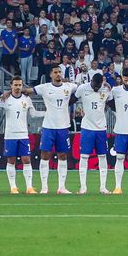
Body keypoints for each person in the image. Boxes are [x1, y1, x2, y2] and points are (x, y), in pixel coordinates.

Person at [34, 67, 76, 195]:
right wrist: (10, 92)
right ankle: (44, 187)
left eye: (59, 72)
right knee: (45, 155)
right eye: (56, 72)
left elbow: (85, 88)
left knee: (63, 156)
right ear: (51, 74)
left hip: (63, 127)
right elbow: (27, 91)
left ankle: (61, 187)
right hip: (48, 127)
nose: (58, 74)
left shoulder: (70, 86)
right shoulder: (44, 87)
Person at [0, 78, 37, 194]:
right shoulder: (6, 99)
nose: (18, 87)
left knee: (26, 159)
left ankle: (29, 187)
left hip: (23, 134)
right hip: (10, 135)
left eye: (20, 85)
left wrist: (49, 112)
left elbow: (33, 114)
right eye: (15, 85)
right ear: (11, 86)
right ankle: (13, 187)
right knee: (11, 160)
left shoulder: (27, 99)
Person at [75, 72, 113, 194]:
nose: (97, 87)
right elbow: (72, 99)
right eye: (95, 85)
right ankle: (83, 187)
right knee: (84, 156)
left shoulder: (106, 89)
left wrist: (110, 87)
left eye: (99, 85)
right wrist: (77, 109)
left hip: (101, 129)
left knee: (102, 157)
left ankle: (103, 187)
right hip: (87, 128)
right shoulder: (82, 88)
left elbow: (111, 104)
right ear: (91, 81)